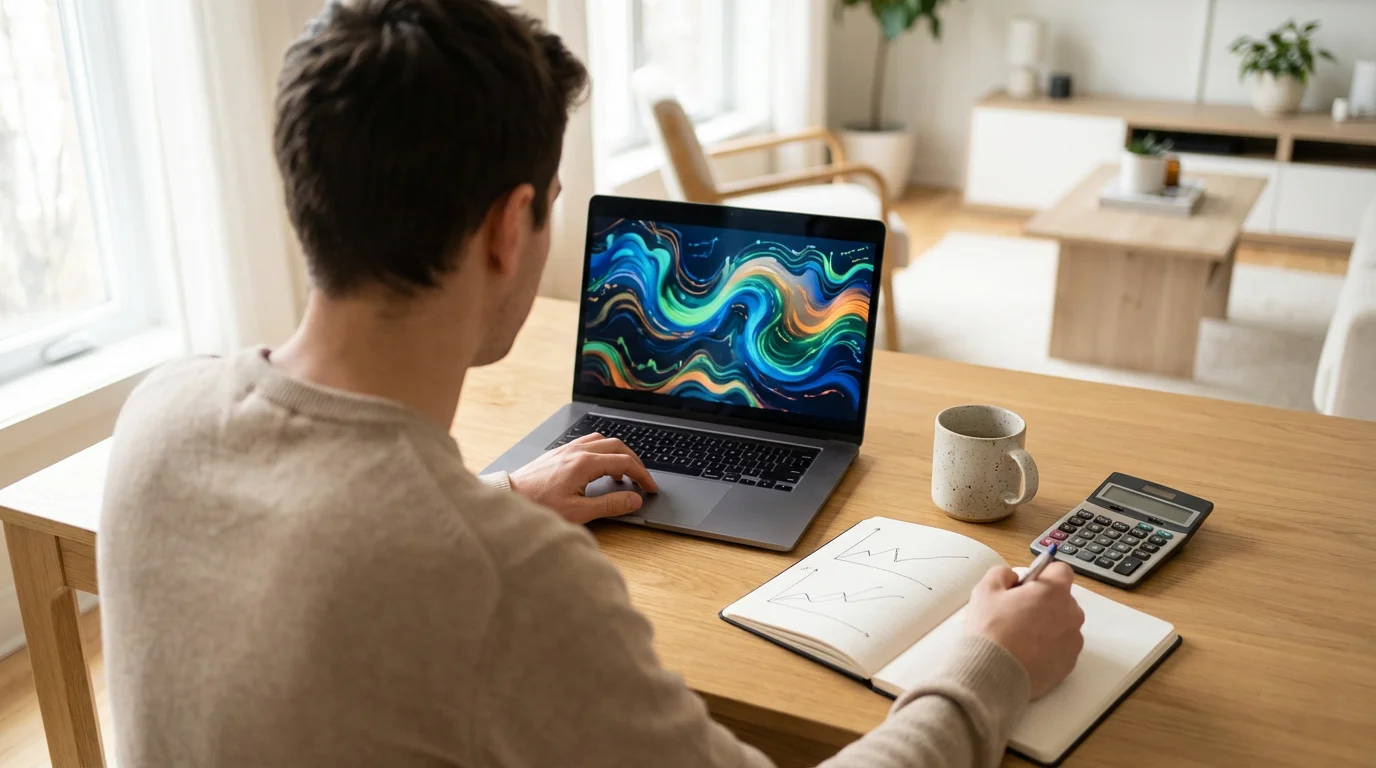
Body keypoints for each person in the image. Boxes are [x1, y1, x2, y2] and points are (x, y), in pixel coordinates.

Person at [98, 0, 1085, 766]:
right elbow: (425, 577)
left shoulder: (157, 420)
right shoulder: (506, 583)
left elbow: (343, 570)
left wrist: (493, 501)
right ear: (505, 227)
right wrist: (985, 667)